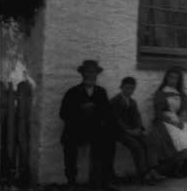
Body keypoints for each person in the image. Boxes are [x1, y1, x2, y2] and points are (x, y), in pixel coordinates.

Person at [59, 60, 117, 190]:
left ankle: (101, 180)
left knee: (109, 140)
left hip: (95, 129)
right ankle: (71, 181)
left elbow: (107, 113)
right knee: (69, 143)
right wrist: (80, 109)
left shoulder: (101, 92)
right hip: (77, 129)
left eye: (93, 72)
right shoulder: (73, 92)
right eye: (88, 72)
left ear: (97, 75)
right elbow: (63, 114)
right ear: (83, 74)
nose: (91, 75)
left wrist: (96, 112)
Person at [110, 77, 164, 184]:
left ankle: (152, 170)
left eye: (132, 88)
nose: (130, 91)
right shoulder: (114, 101)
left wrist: (139, 128)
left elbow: (137, 117)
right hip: (119, 132)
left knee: (148, 142)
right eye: (127, 88)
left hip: (133, 130)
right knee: (136, 146)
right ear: (121, 87)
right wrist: (128, 131)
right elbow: (116, 120)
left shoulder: (132, 102)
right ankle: (143, 175)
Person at [149, 67, 187, 177]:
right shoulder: (161, 93)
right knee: (177, 136)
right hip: (165, 120)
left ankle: (185, 165)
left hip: (177, 119)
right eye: (171, 77)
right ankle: (176, 167)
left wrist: (181, 121)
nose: (173, 80)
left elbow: (183, 111)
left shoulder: (180, 93)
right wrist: (173, 123)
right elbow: (158, 113)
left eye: (176, 78)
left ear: (179, 80)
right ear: (166, 78)